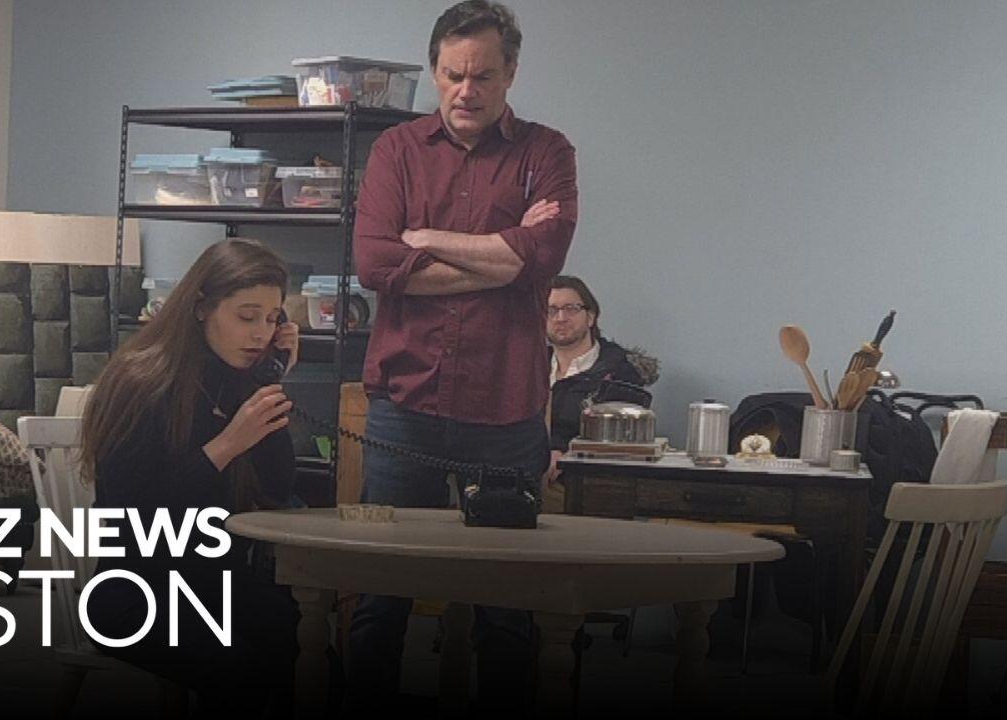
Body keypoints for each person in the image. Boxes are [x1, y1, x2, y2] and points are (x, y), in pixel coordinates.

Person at [349, 0, 578, 713]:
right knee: (379, 600)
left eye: (482, 75)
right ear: (434, 71)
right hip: (403, 407)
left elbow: (544, 257)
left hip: (505, 412)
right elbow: (373, 262)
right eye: (452, 74)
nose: (466, 91)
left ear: (511, 73)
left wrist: (425, 239)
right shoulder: (396, 151)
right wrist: (503, 257)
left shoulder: (547, 153)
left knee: (506, 612)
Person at [79, 239, 306, 717]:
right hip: (134, 591)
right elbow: (131, 520)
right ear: (202, 307)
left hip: (214, 582)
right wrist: (226, 446)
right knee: (241, 668)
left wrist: (270, 382)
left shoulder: (240, 376)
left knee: (306, 650)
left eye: (272, 320)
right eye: (247, 317)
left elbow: (277, 488)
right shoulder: (142, 381)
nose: (260, 334)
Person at [541, 275, 659, 505]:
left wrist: (564, 452)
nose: (560, 318)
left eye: (571, 309)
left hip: (583, 482)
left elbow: (620, 443)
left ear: (591, 317)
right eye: (551, 310)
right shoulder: (526, 368)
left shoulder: (620, 374)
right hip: (528, 470)